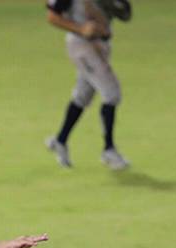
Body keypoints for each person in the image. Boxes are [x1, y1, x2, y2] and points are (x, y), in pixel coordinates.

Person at [43, 0, 133, 170]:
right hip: (82, 45)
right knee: (112, 93)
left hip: (101, 46)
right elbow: (52, 17)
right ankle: (109, 150)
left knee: (82, 96)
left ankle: (60, 141)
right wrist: (80, 29)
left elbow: (125, 13)